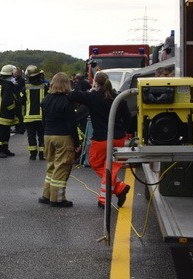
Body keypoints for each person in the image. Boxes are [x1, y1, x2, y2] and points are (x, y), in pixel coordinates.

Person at [69, 71, 132, 208]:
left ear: (96, 83)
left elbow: (73, 95)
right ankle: (119, 188)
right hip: (119, 137)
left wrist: (90, 90)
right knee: (113, 167)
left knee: (96, 163)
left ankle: (105, 198)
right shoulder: (118, 97)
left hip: (101, 139)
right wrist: (124, 131)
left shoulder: (92, 97)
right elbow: (128, 118)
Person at [39, 72, 81, 207]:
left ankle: (46, 195)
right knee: (61, 167)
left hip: (48, 136)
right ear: (65, 84)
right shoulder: (66, 101)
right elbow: (71, 124)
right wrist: (76, 142)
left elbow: (43, 121)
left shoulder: (46, 99)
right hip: (63, 137)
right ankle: (57, 199)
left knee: (51, 165)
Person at [0, 64, 19, 158]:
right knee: (2, 133)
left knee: (6, 133)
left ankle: (5, 149)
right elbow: (7, 101)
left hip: (0, 112)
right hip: (4, 113)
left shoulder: (2, 82)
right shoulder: (7, 85)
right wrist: (14, 107)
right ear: (10, 74)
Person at [22, 65, 48, 160]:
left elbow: (21, 101)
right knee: (42, 135)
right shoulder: (45, 87)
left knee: (31, 136)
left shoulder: (25, 88)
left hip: (29, 117)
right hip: (42, 117)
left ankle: (33, 155)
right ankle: (42, 154)